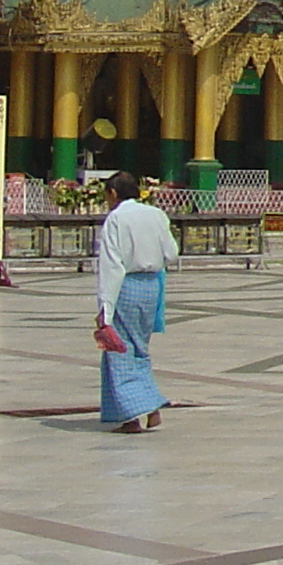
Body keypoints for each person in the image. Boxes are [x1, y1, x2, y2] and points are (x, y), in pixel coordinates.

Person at [94, 172, 177, 434]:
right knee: (139, 349)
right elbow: (171, 254)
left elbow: (112, 267)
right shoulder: (155, 215)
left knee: (120, 352)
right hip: (151, 286)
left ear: (114, 194)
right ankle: (151, 410)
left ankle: (131, 416)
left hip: (127, 286)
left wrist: (105, 310)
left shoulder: (117, 219)